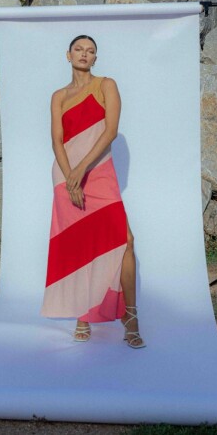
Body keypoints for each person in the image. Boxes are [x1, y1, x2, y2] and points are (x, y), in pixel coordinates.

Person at [40, 35, 146, 349]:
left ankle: (130, 315)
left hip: (97, 173)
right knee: (79, 247)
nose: (84, 54)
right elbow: (57, 141)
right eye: (79, 49)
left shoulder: (105, 85)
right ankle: (82, 314)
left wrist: (81, 171)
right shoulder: (58, 96)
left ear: (95, 58)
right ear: (68, 54)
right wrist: (69, 177)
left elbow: (110, 131)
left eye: (90, 51)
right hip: (65, 176)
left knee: (125, 241)